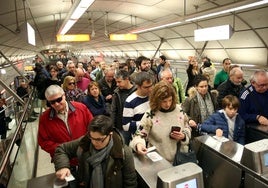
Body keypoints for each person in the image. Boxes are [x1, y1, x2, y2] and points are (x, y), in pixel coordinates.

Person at [53, 115, 137, 188]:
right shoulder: (85, 142)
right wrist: (62, 166)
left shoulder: (124, 153)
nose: (94, 142)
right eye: (92, 137)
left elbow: (130, 183)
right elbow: (61, 149)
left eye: (99, 139)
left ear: (110, 135)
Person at [130, 81, 191, 163]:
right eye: (164, 101)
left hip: (179, 159)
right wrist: (139, 144)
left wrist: (183, 136)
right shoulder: (150, 114)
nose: (168, 104)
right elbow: (139, 134)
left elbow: (187, 127)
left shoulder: (179, 110)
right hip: (157, 160)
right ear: (156, 100)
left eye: (170, 100)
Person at [38, 85, 93, 165]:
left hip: (85, 156)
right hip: (64, 161)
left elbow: (93, 129)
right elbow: (43, 141)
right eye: (52, 102)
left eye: (59, 99)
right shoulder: (45, 119)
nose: (56, 104)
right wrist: (64, 149)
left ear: (64, 95)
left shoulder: (81, 108)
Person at [122, 71, 154, 145]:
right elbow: (126, 126)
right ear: (138, 86)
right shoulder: (130, 101)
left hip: (152, 139)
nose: (150, 89)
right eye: (146, 87)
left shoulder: (153, 96)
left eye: (151, 86)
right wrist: (145, 123)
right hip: (139, 140)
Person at [111, 70, 136, 137]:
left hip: (135, 125)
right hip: (121, 126)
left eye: (119, 82)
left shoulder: (137, 91)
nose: (117, 84)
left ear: (127, 79)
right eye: (116, 82)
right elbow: (113, 110)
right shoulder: (117, 93)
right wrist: (112, 126)